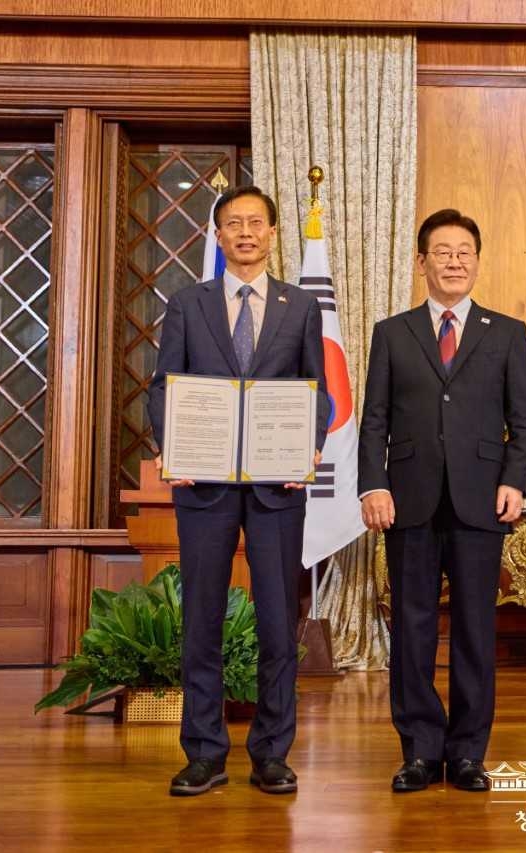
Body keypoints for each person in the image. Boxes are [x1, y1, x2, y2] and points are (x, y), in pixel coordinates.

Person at [148, 185, 327, 797]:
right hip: (204, 485)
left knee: (280, 621)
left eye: (256, 223)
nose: (245, 233)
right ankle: (204, 752)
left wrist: (310, 440)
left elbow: (316, 390)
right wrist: (172, 443)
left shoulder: (301, 306)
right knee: (202, 618)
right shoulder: (187, 303)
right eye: (233, 224)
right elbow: (164, 386)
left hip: (278, 485)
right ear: (218, 236)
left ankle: (271, 753)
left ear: (273, 234)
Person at [358, 208, 526, 793]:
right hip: (407, 500)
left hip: (481, 501)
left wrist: (514, 479)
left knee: (473, 630)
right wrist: (374, 483)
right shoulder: (392, 332)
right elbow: (374, 421)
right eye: (442, 251)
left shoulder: (507, 332)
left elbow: (524, 420)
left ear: (477, 261)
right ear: (422, 262)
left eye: (464, 251)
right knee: (410, 631)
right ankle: (418, 750)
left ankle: (466, 753)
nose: (454, 260)